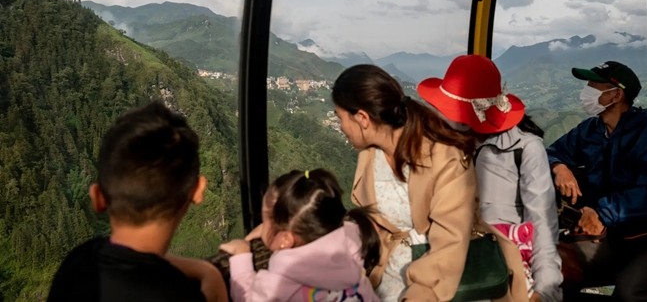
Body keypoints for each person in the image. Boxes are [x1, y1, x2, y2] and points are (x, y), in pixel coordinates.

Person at [332, 64, 528, 302]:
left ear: (362, 118)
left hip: (444, 278)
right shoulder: (369, 155)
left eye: (339, 117)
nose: (341, 127)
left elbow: (450, 239)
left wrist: (421, 293)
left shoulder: (445, 157)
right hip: (389, 270)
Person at [417, 54, 563, 302]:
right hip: (448, 258)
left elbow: (542, 224)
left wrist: (545, 290)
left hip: (497, 267)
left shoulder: (525, 148)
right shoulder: (448, 143)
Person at [47, 101, 225, 302]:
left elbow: (131, 260)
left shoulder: (78, 261)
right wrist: (212, 278)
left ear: (98, 198)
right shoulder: (179, 293)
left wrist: (204, 269)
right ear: (198, 191)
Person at [546, 60, 647, 301]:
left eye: (593, 86)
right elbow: (550, 151)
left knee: (631, 293)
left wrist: (602, 213)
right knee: (550, 270)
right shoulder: (592, 129)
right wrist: (558, 166)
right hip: (607, 235)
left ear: (616, 95)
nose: (585, 91)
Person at [219, 168, 380, 302]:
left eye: (265, 220)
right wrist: (273, 230)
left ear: (285, 240)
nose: (262, 226)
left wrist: (241, 255)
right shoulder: (350, 244)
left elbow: (248, 297)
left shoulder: (285, 281)